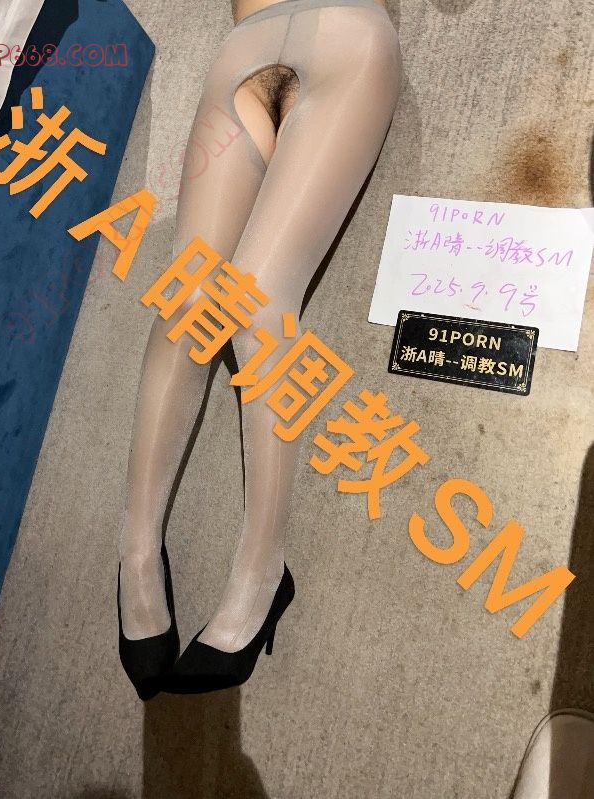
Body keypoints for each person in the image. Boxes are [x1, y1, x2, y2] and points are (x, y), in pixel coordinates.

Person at [117, 0, 403, 699]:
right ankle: (135, 552)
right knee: (186, 300)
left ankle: (262, 571)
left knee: (258, 303)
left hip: (347, 44)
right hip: (242, 48)